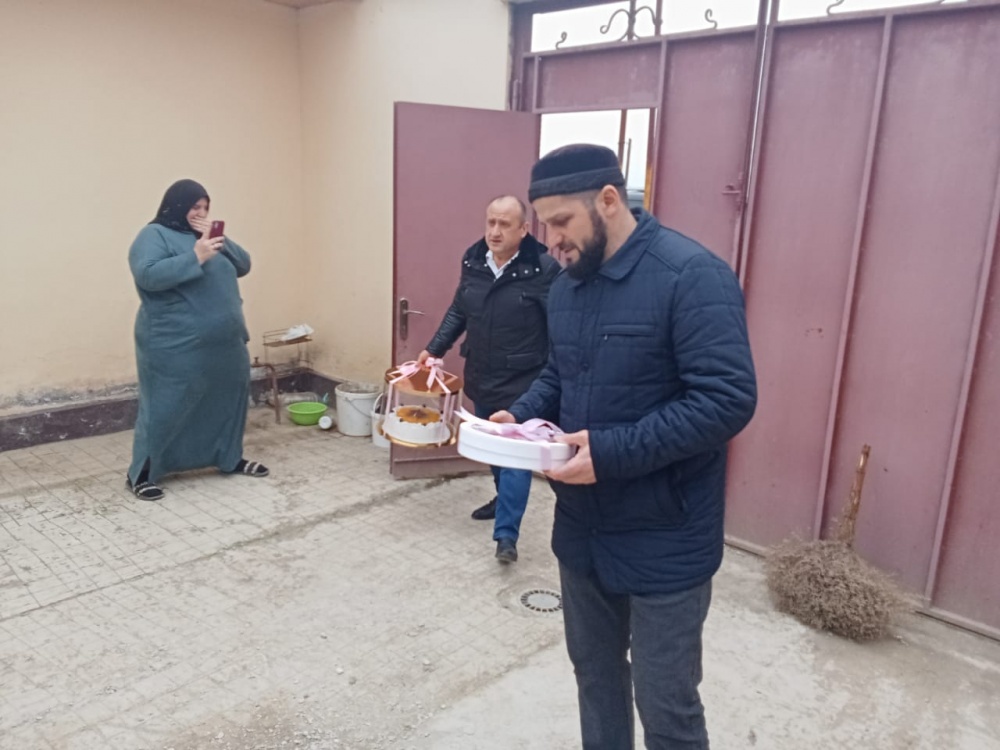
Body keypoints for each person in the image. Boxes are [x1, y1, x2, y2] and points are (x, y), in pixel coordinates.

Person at [492, 145, 757, 749]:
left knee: (666, 704)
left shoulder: (691, 276)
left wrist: (610, 453)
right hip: (582, 534)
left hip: (666, 538)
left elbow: (727, 400)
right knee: (596, 681)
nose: (553, 241)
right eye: (545, 225)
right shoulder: (568, 287)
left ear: (608, 200)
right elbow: (561, 374)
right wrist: (519, 417)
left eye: (563, 222)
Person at [419, 195, 560, 563]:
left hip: (524, 382)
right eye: (491, 223)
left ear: (524, 229)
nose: (495, 232)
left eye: (504, 224)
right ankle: (502, 501)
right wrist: (434, 348)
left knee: (514, 457)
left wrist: (559, 376)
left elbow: (561, 326)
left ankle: (506, 536)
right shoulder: (474, 260)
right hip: (482, 374)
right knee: (494, 453)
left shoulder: (543, 269)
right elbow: (459, 310)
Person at [125, 179, 269, 501]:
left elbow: (243, 265)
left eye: (205, 208)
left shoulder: (206, 237)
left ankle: (229, 457)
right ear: (176, 205)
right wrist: (197, 256)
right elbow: (147, 275)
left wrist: (218, 239)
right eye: (194, 207)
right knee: (167, 404)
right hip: (176, 342)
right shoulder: (154, 235)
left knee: (227, 399)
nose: (201, 213)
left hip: (225, 341)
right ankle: (143, 473)